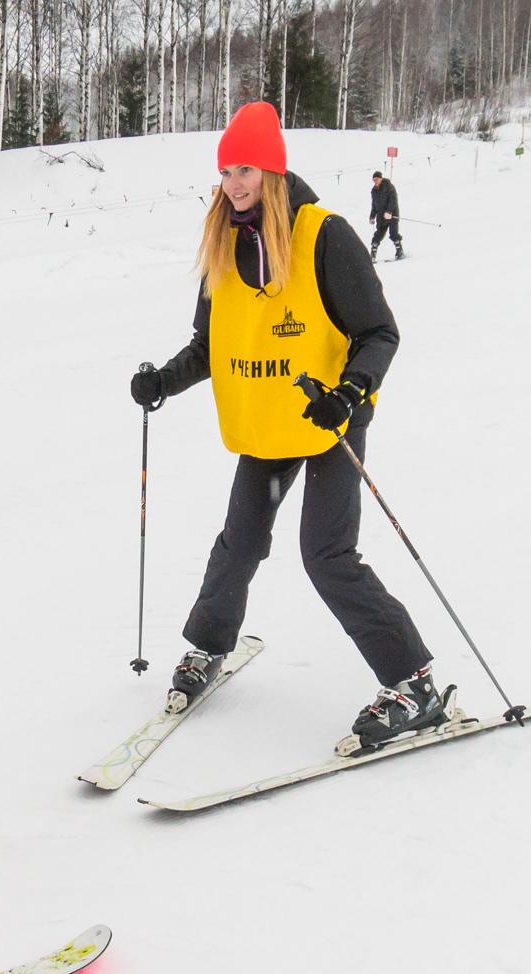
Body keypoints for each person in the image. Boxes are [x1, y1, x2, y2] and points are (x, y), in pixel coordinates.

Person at [128, 102, 445, 752]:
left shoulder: (323, 235)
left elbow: (378, 332)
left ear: (272, 169)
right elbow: (210, 347)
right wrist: (163, 380)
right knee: (239, 543)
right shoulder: (223, 241)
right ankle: (207, 649)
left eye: (245, 168)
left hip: (329, 419)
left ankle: (414, 683)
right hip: (268, 422)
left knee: (326, 555)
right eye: (225, 170)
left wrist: (350, 392)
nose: (234, 183)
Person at [368, 170, 404, 262]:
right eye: (374, 179)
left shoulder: (389, 186)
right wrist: (372, 216)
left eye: (376, 179)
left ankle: (399, 251)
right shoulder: (373, 191)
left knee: (393, 233)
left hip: (392, 214)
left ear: (381, 178)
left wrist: (389, 212)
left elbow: (393, 200)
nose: (375, 181)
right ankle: (372, 254)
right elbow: (374, 205)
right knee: (378, 234)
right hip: (381, 216)